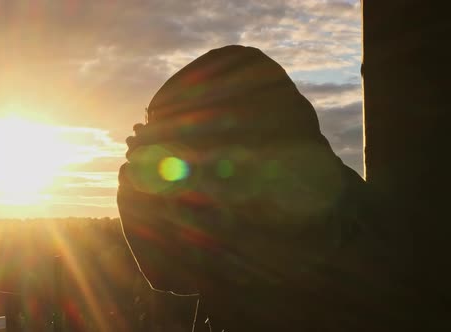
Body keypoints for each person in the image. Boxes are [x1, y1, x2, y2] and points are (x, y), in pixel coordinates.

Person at [118, 45, 406, 331]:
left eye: (176, 130)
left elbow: (171, 273)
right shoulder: (328, 186)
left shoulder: (292, 202)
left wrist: (142, 187)